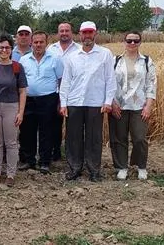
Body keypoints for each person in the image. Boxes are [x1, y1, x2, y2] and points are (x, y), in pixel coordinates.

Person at [59, 21, 115, 182]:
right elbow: (66, 82)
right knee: (73, 137)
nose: (87, 36)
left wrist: (108, 101)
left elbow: (110, 79)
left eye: (90, 32)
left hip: (95, 103)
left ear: (95, 34)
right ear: (80, 35)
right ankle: (75, 168)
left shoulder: (105, 54)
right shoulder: (72, 57)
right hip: (74, 102)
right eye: (84, 33)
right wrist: (63, 103)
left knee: (94, 138)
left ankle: (94, 170)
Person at [110, 31, 157, 181]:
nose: (132, 44)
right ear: (123, 42)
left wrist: (148, 106)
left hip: (139, 106)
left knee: (139, 138)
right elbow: (108, 83)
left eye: (135, 41)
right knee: (119, 138)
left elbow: (151, 84)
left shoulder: (147, 61)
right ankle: (122, 167)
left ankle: (141, 166)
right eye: (129, 40)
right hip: (119, 106)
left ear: (140, 43)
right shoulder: (115, 60)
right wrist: (112, 103)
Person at [18, 31, 63, 174]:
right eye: (35, 42)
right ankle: (28, 160)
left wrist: (60, 101)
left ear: (46, 43)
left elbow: (61, 81)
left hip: (48, 99)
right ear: (31, 43)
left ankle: (45, 162)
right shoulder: (24, 60)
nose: (38, 45)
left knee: (47, 132)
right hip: (29, 100)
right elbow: (19, 83)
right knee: (27, 131)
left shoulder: (55, 59)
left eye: (41, 42)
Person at [0, 35, 26, 188]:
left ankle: (10, 174)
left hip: (11, 106)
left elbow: (22, 91)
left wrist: (20, 112)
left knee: (11, 142)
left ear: (11, 49)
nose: (4, 50)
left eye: (7, 47)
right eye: (1, 47)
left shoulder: (17, 67)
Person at [47, 22, 80, 162]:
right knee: (54, 125)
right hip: (56, 92)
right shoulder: (51, 49)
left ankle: (72, 154)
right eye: (62, 31)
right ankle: (55, 152)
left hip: (75, 92)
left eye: (67, 30)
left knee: (73, 126)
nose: (64, 33)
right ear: (58, 33)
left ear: (72, 32)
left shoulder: (79, 49)